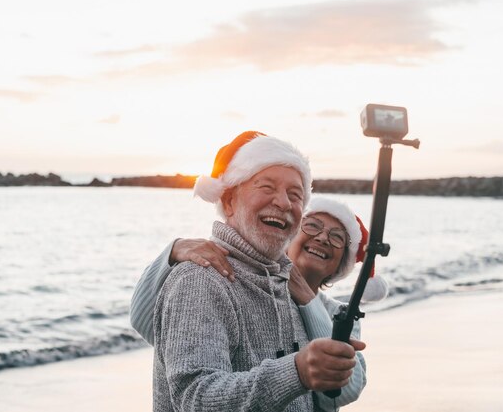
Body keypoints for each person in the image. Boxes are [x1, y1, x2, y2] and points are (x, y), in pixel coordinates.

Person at [138, 131, 371, 411]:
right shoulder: (200, 278)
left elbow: (339, 392)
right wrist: (295, 372)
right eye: (267, 187)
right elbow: (195, 398)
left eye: (295, 194)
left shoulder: (284, 288)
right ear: (228, 201)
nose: (284, 202)